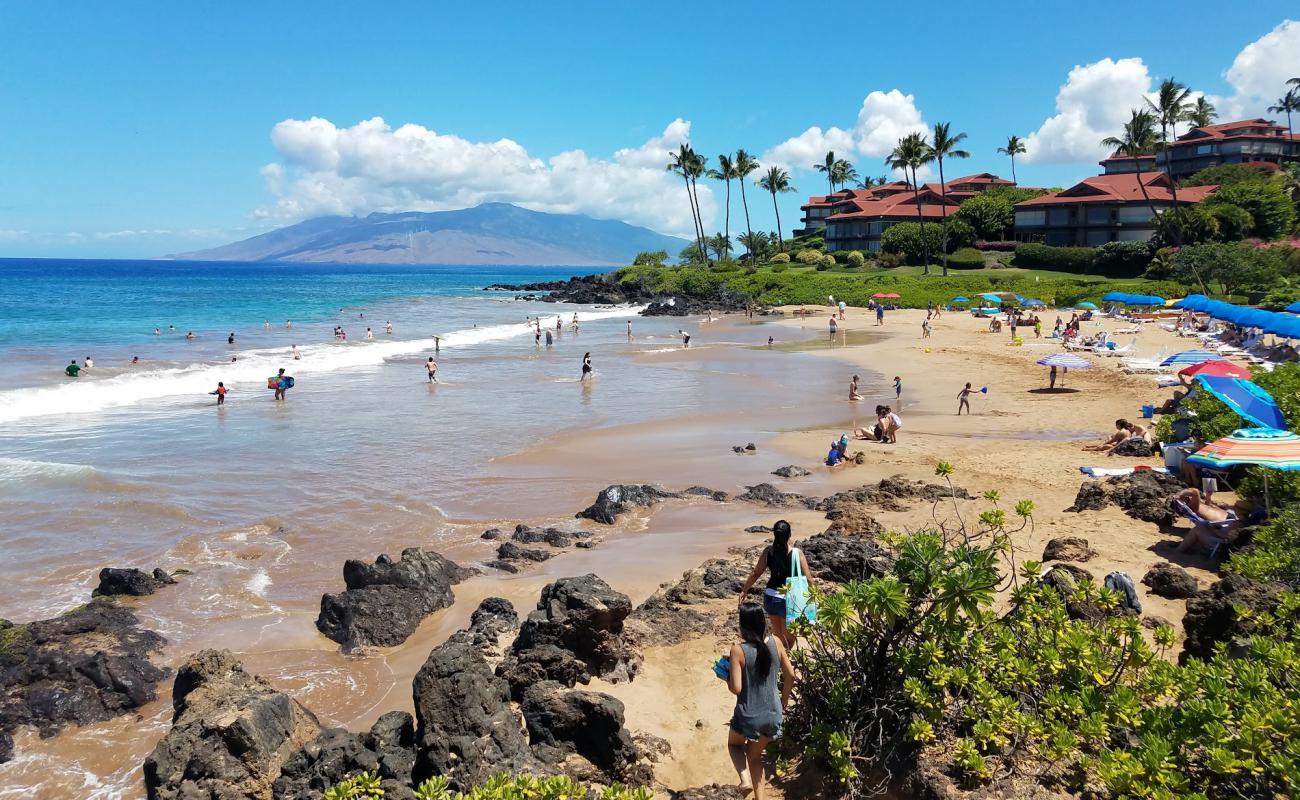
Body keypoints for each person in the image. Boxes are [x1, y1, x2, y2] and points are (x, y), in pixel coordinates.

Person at [721, 604, 794, 800]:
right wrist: (784, 700)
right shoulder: (777, 642)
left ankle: (744, 781)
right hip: (773, 714)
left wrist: (725, 677)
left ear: (743, 627)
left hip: (749, 714)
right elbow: (791, 675)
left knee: (734, 746)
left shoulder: (738, 650)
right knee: (754, 756)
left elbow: (736, 688)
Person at [737, 520, 812, 649]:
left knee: (777, 635)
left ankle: (778, 660)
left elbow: (756, 573)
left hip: (770, 598)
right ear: (789, 535)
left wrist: (745, 590)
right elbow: (809, 579)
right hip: (789, 599)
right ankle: (784, 662)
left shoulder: (768, 552)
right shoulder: (796, 553)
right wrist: (814, 596)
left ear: (775, 535)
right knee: (789, 637)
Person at [1083, 419, 1149, 453]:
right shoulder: (1128, 431)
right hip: (1126, 445)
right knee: (1109, 443)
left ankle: (1090, 449)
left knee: (1107, 445)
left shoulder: (1121, 432)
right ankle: (1091, 447)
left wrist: (1102, 444)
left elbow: (1111, 441)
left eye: (1116, 425)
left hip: (1122, 446)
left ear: (1119, 425)